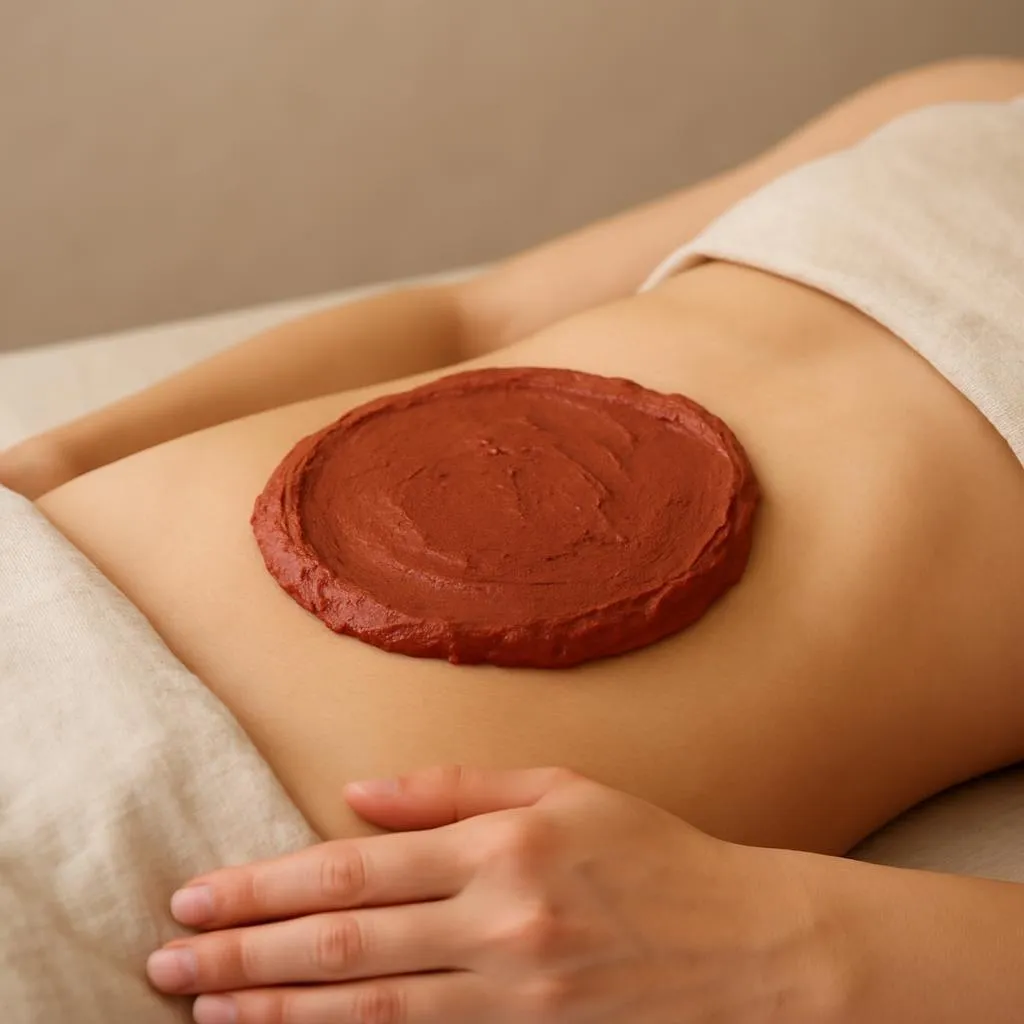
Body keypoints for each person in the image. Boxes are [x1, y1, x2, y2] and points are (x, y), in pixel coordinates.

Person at [2, 56, 1023, 1023]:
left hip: (250, 904)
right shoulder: (970, 94)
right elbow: (471, 316)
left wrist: (795, 943)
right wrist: (61, 456)